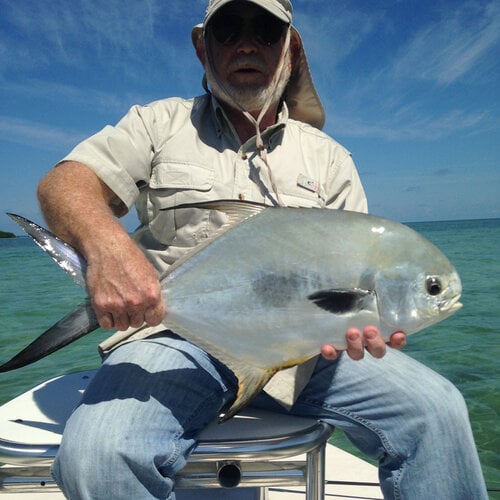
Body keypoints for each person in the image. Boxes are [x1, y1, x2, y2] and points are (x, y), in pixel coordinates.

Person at [37, 0, 487, 498]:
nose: (246, 44)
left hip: (305, 356)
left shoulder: (330, 159)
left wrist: (360, 330)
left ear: (289, 48)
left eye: (266, 31)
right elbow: (65, 185)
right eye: (228, 29)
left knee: (437, 412)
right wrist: (106, 251)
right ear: (201, 46)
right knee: (97, 456)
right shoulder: (158, 125)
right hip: (176, 339)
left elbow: (351, 290)